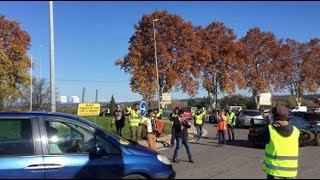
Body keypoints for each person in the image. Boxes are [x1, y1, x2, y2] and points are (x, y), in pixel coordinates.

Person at [260, 105, 300, 179]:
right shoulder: (296, 130)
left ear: (273, 116)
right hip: (291, 172)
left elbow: (261, 140)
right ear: (287, 116)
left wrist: (267, 123)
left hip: (275, 171)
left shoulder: (270, 129)